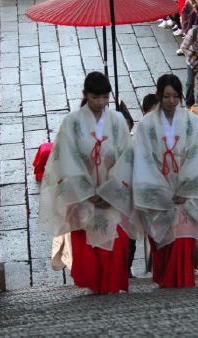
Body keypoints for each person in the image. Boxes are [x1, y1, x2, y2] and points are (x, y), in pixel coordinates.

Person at [38, 72, 136, 294]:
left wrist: (110, 191)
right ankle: (93, 287)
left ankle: (112, 285)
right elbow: (65, 160)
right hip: (83, 197)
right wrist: (88, 192)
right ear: (86, 95)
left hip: (111, 196)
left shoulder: (118, 121)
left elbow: (126, 157)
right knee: (88, 244)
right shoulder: (72, 123)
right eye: (95, 98)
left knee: (114, 241)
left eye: (104, 97)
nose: (100, 103)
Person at [132, 74, 198, 288]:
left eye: (175, 96)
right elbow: (143, 159)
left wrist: (185, 187)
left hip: (185, 191)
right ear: (159, 96)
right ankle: (167, 280)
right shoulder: (146, 125)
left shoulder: (191, 122)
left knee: (183, 238)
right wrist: (161, 189)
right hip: (159, 190)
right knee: (164, 238)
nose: (171, 101)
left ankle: (183, 279)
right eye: (166, 96)